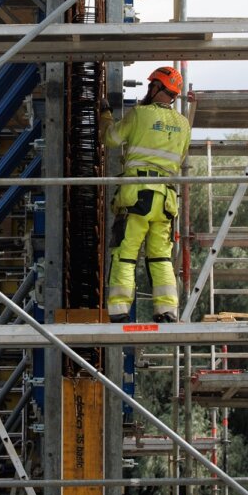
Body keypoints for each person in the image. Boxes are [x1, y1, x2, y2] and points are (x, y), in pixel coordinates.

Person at [101, 66, 191, 323]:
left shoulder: (139, 114)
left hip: (137, 196)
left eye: (151, 85)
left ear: (159, 88)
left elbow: (111, 139)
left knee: (126, 253)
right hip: (166, 200)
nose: (148, 89)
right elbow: (180, 158)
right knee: (161, 256)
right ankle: (166, 310)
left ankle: (119, 311)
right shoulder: (183, 124)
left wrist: (105, 114)